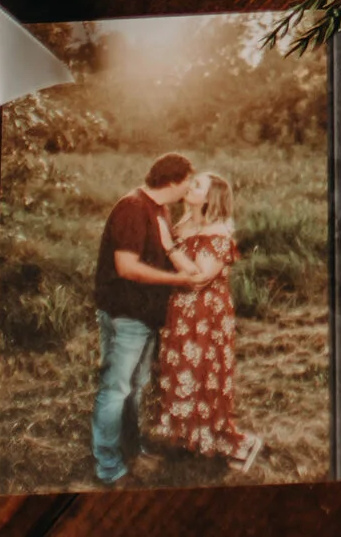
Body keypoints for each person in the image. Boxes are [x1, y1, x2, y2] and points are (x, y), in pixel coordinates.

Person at [90, 153, 205, 487]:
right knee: (116, 389)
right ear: (173, 181)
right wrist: (178, 280)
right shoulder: (132, 208)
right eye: (187, 181)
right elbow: (126, 267)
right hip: (125, 314)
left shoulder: (159, 210)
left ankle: (132, 451)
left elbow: (167, 252)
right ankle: (109, 467)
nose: (189, 187)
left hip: (145, 316)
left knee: (134, 388)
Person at [144, 172, 264, 471]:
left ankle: (212, 435)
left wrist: (169, 246)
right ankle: (188, 435)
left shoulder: (218, 232)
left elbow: (199, 278)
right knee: (182, 367)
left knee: (203, 370)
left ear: (210, 198)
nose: (190, 186)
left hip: (206, 312)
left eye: (197, 185)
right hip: (181, 309)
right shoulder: (183, 222)